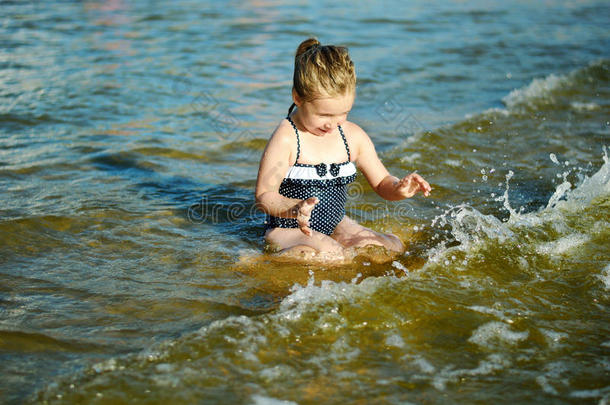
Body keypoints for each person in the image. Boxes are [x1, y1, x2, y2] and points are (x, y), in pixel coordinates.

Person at [255, 38, 431, 262]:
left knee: (383, 248)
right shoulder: (288, 137)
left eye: (343, 113)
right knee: (327, 255)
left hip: (335, 222)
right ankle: (258, 261)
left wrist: (399, 188)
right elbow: (263, 196)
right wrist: (293, 207)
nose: (333, 124)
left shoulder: (352, 136)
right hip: (287, 229)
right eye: (324, 115)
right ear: (297, 98)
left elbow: (381, 182)